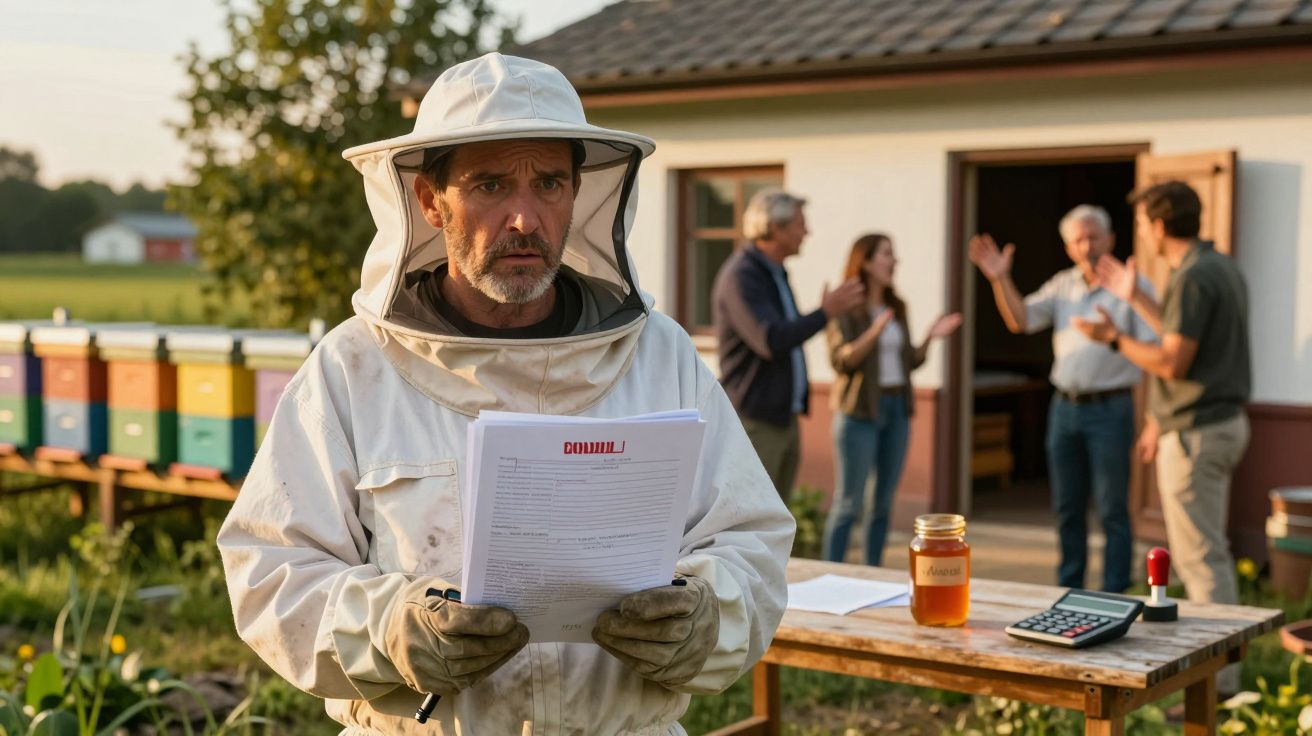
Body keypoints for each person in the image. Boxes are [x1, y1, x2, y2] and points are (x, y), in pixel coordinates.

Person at [216, 53, 795, 735]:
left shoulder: (660, 356)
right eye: (490, 185)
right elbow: (270, 574)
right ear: (430, 203)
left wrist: (707, 614)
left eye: (549, 183)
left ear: (577, 196)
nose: (525, 218)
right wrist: (391, 630)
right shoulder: (353, 368)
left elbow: (749, 541)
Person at [1073, 181, 1250, 611]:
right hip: (1218, 425)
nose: (1142, 233)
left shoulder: (1191, 277)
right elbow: (1182, 337)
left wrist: (1114, 338)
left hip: (1198, 432)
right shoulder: (1217, 266)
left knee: (1201, 560)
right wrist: (1135, 299)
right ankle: (1220, 669)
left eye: (1140, 223)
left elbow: (1173, 362)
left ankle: (1222, 678)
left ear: (1157, 225)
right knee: (1205, 551)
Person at [969, 205, 1156, 593]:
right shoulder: (1062, 285)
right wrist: (1000, 280)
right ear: (1068, 247)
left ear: (1110, 239)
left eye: (1093, 236)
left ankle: (1115, 593)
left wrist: (1153, 417)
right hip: (1065, 409)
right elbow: (1021, 320)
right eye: (1077, 240)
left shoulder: (1133, 286)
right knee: (1067, 508)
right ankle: (1068, 591)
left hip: (1112, 407)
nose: (1086, 246)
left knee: (1111, 509)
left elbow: (1157, 353)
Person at [712, 189, 865, 502]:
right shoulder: (743, 276)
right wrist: (826, 313)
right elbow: (770, 339)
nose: (806, 232)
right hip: (755, 420)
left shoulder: (774, 273)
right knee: (752, 516)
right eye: (799, 225)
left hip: (782, 416)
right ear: (775, 228)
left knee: (775, 519)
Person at [822, 234, 960, 565]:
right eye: (887, 255)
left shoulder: (897, 307)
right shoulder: (846, 309)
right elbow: (841, 361)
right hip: (858, 412)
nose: (894, 261)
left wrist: (930, 337)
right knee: (848, 502)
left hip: (897, 409)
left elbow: (909, 361)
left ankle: (873, 573)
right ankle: (829, 573)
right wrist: (874, 332)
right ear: (866, 262)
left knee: (883, 503)